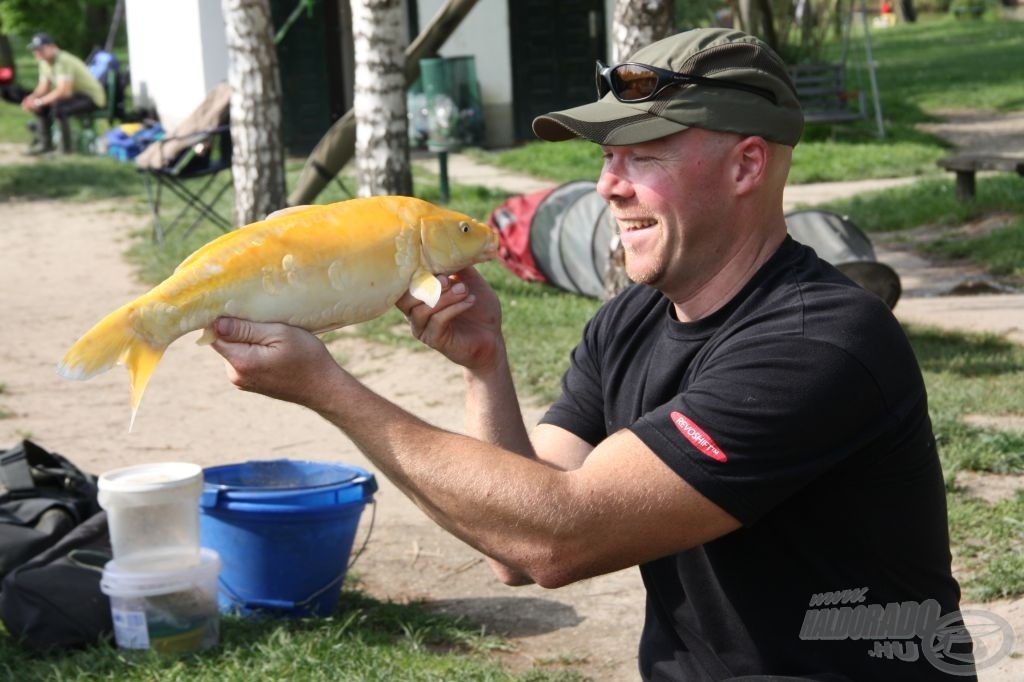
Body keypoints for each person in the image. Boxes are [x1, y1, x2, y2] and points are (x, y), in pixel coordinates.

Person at [211, 28, 972, 680]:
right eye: (607, 157)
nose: (608, 185)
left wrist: (331, 389)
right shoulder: (632, 318)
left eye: (643, 154)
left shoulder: (818, 343)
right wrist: (486, 365)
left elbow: (557, 538)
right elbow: (513, 543)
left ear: (746, 166)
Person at [20, 32, 105, 154]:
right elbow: (43, 87)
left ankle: (66, 149)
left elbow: (64, 91)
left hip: (91, 97)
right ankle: (45, 145)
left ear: (52, 47)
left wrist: (39, 102)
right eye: (35, 50)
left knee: (59, 107)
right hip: (75, 96)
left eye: (40, 49)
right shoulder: (44, 62)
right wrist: (31, 99)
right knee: (43, 107)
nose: (37, 52)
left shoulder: (62, 60)